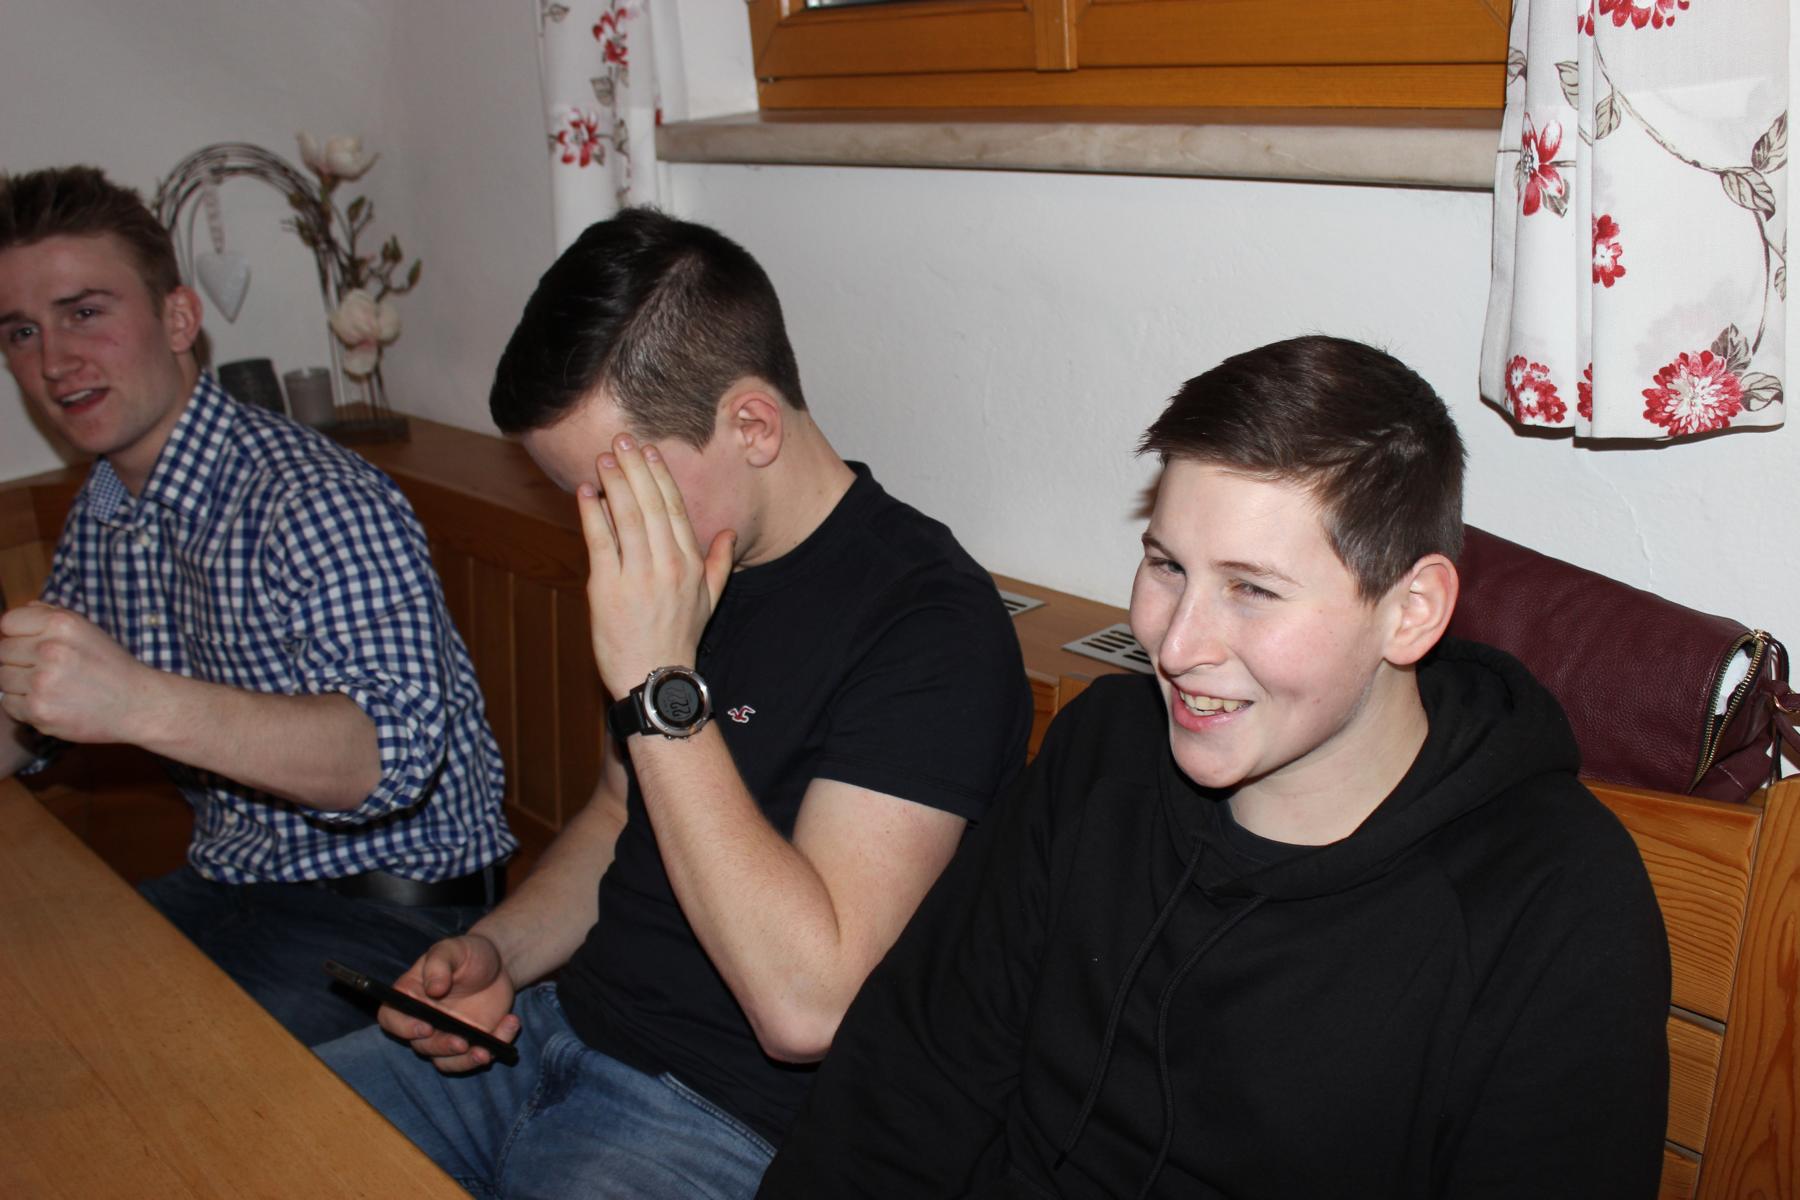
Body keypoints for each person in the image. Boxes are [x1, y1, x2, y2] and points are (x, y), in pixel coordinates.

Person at [758, 336, 1671, 1199]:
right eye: (1167, 566)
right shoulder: (1102, 754)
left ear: (1411, 610)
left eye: (1251, 589)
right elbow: (904, 1087)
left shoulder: (1552, 896)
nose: (1175, 645)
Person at [315, 207, 1033, 1199]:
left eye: (617, 491)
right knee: (236, 1133)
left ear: (751, 425)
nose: (602, 532)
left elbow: (809, 1009)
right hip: (554, 1033)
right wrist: (498, 952)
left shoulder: (931, 624)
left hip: (722, 1124)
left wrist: (658, 680)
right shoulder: (675, 569)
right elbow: (620, 816)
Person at [0, 166, 514, 1046]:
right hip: (233, 884)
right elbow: (35, 712)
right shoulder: (105, 504)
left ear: (178, 320)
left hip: (405, 916)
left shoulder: (311, 496)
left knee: (123, 1064)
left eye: (85, 312)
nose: (53, 361)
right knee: (44, 1012)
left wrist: (132, 700)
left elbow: (386, 756)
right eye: (21, 331)